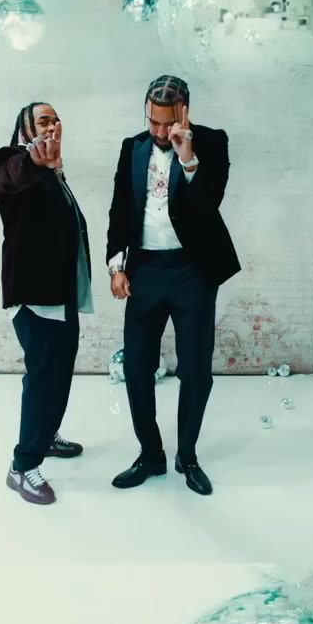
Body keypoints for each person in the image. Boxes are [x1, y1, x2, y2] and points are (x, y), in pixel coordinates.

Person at [104, 75, 240, 497]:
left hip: (191, 272)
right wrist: (116, 266)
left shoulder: (212, 142)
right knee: (136, 366)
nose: (160, 132)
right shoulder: (132, 147)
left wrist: (188, 158)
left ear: (185, 112)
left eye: (168, 123)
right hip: (144, 270)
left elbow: (208, 204)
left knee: (195, 369)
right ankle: (150, 454)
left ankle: (188, 455)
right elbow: (119, 208)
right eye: (153, 122)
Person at [0, 101, 94, 506]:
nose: (51, 125)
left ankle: (46, 433)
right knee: (43, 377)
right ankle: (22, 467)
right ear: (25, 130)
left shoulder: (54, 171)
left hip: (61, 293)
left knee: (59, 372)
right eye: (42, 121)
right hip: (35, 296)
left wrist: (50, 166)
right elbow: (14, 176)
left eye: (55, 119)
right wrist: (35, 161)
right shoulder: (11, 159)